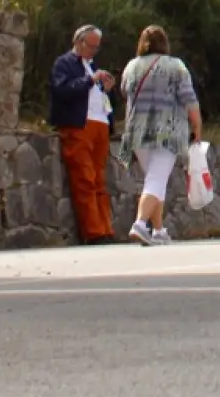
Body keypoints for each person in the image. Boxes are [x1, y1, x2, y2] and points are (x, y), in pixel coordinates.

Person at [117, 24, 202, 246]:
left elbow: (125, 92)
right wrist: (197, 126)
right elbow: (189, 99)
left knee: (155, 179)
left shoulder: (131, 66)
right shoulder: (176, 66)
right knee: (156, 179)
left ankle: (158, 230)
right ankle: (139, 223)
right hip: (167, 131)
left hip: (137, 132)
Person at [48, 24, 118, 245]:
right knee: (84, 179)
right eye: (91, 46)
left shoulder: (91, 66)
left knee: (99, 180)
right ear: (78, 42)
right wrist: (90, 80)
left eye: (97, 48)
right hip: (78, 126)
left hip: (100, 125)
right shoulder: (64, 63)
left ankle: (106, 229)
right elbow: (62, 90)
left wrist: (106, 88)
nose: (93, 51)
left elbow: (101, 98)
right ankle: (94, 231)